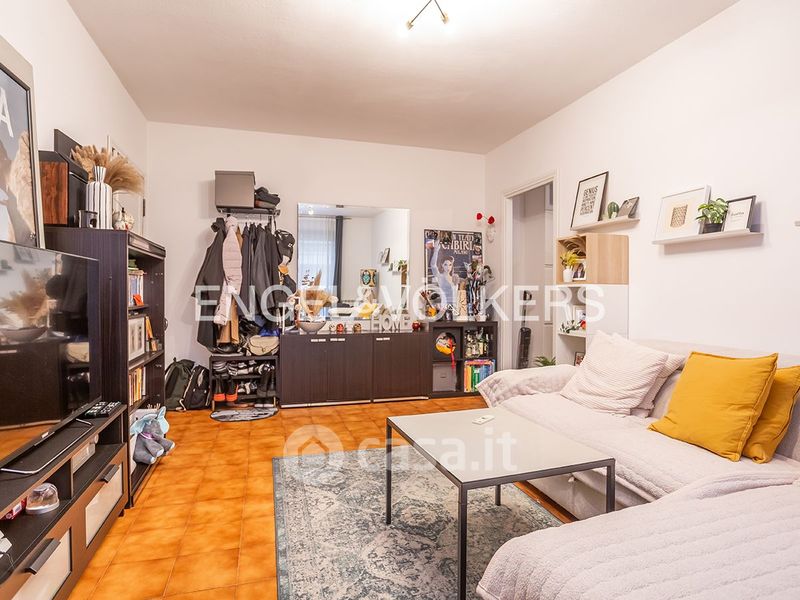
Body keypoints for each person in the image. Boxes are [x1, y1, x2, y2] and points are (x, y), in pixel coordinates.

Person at [428, 238, 460, 305]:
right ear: (442, 265)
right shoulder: (440, 276)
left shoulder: (454, 277)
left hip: (455, 307)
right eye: (445, 264)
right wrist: (436, 250)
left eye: (450, 265)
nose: (448, 267)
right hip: (445, 306)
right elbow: (433, 265)